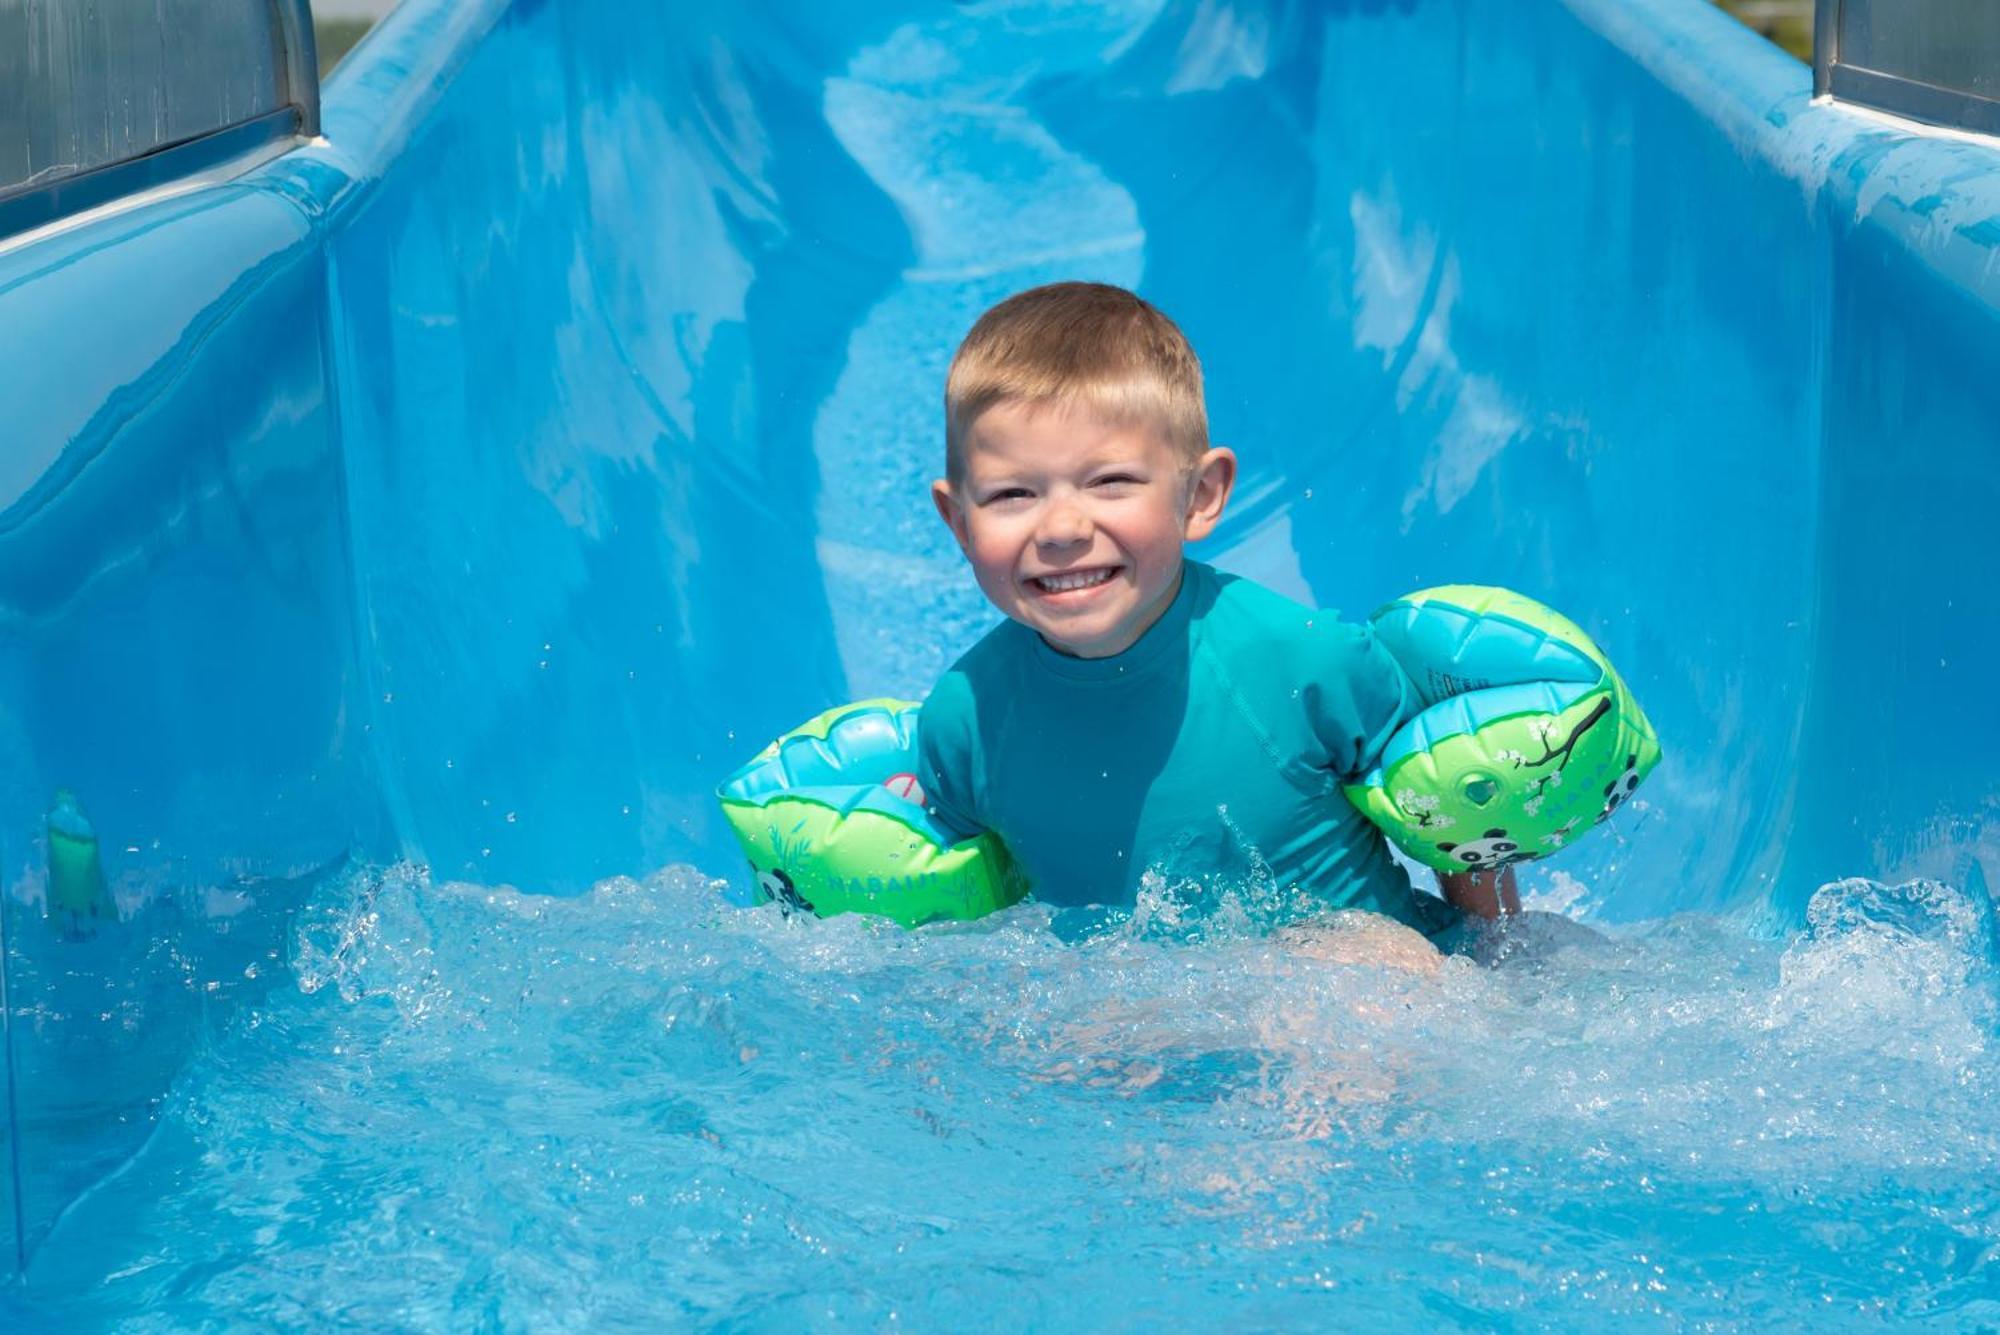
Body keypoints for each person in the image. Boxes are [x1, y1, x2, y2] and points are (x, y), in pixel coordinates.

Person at [917, 281, 1516, 947]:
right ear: (958, 520)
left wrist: (1499, 954)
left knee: (1350, 958)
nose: (1061, 527)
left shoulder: (1301, 662)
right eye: (1012, 493)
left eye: (1109, 482)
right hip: (1139, 1028)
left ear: (1201, 495)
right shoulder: (965, 721)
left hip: (1368, 997)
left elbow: (1453, 800)